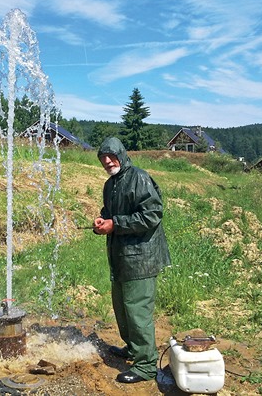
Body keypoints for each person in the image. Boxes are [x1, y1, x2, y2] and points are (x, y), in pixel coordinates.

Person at [93, 137, 171, 384]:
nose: (107, 161)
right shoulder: (110, 184)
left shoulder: (139, 177)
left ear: (121, 154)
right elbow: (110, 213)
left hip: (141, 258)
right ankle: (133, 348)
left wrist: (115, 224)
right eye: (102, 158)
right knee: (122, 308)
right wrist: (101, 221)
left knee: (137, 311)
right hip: (120, 258)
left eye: (111, 156)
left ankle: (147, 365)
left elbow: (152, 215)